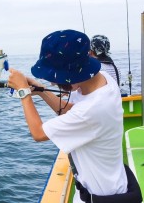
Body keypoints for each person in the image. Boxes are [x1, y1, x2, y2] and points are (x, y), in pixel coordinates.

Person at [8, 30, 142, 203]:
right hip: (98, 187)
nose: (54, 82)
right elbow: (72, 111)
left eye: (57, 77)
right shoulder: (103, 80)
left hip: (102, 197)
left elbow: (38, 133)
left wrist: (23, 93)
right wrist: (42, 91)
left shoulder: (93, 109)